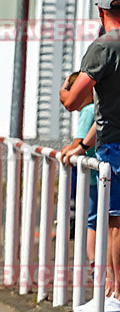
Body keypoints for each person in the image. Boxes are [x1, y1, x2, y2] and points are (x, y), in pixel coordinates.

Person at [61, 0, 120, 312]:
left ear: (100, 12)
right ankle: (111, 293)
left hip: (116, 148)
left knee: (115, 222)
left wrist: (65, 92)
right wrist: (83, 144)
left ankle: (116, 296)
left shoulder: (104, 47)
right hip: (107, 138)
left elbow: (74, 100)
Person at [59, 72, 109, 292]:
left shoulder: (89, 111)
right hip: (99, 176)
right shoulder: (96, 107)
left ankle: (99, 278)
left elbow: (80, 143)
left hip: (95, 179)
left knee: (93, 223)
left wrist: (68, 150)